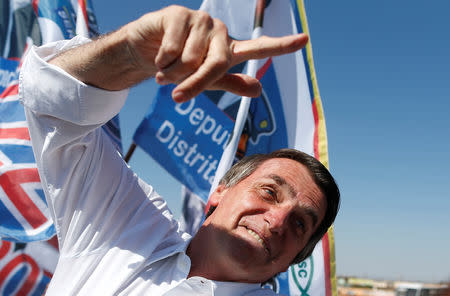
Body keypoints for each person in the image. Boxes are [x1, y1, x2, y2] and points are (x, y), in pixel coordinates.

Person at [20, 5, 340, 295]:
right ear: (220, 191)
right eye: (269, 192)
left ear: (294, 259)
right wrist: (128, 55)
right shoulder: (127, 226)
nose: (278, 220)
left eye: (300, 224)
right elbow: (49, 102)